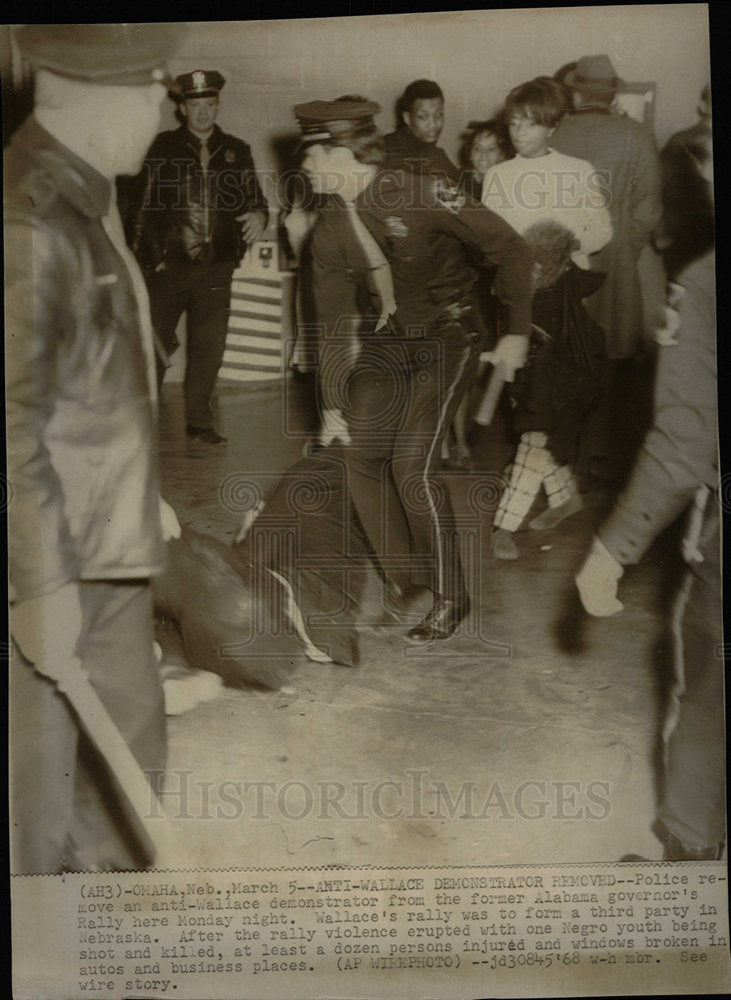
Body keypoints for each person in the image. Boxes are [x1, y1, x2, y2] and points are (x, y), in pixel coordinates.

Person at [6, 22, 184, 873]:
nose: (162, 101)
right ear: (99, 99)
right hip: (48, 552)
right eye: (151, 85)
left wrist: (141, 487)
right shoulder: (29, 216)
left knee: (130, 753)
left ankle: (107, 936)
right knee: (34, 800)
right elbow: (7, 422)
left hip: (104, 534)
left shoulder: (82, 195)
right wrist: (39, 586)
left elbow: (91, 375)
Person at [294, 97, 534, 643]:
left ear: (344, 152)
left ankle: (454, 595)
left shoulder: (420, 189)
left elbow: (512, 250)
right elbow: (331, 325)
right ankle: (409, 578)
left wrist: (517, 329)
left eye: (312, 156)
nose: (304, 169)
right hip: (391, 341)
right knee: (358, 454)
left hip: (450, 336)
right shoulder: (328, 231)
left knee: (413, 468)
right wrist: (332, 404)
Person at [575, 130, 722, 861]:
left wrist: (612, 546)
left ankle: (691, 852)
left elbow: (687, 437)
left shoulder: (702, 284)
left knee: (705, 682)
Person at [481, 77, 612, 559]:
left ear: (552, 126)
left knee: (539, 413)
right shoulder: (497, 176)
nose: (520, 131)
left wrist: (562, 239)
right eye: (514, 121)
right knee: (532, 408)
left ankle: (504, 524)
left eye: (532, 124)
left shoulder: (577, 171)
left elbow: (601, 230)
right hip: (518, 306)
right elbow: (488, 244)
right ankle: (566, 495)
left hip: (563, 309)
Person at [127, 69, 269, 445]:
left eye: (210, 104)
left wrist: (259, 215)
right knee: (153, 345)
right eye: (195, 105)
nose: (203, 112)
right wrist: (145, 260)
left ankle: (200, 423)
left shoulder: (237, 150)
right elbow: (139, 208)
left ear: (217, 105)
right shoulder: (161, 147)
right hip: (167, 266)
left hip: (217, 267)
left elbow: (256, 201)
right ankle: (141, 422)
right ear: (182, 109)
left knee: (209, 347)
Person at [552, 55, 662, 360]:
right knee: (609, 355)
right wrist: (628, 241)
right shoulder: (636, 134)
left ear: (575, 93)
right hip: (617, 256)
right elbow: (649, 206)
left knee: (563, 351)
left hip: (562, 253)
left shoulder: (554, 133)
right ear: (613, 95)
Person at [384, 78, 461, 183]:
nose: (433, 124)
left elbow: (466, 188)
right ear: (407, 118)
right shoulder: (385, 150)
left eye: (439, 114)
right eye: (423, 116)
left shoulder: (437, 155)